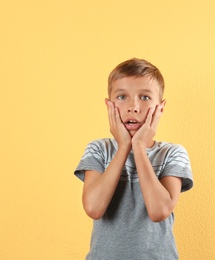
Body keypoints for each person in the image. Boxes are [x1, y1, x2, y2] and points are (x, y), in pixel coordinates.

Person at [74, 58, 193, 260]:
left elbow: (159, 211)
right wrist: (123, 147)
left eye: (145, 97)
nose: (133, 107)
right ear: (109, 105)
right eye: (122, 97)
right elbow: (93, 208)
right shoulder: (98, 150)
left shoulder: (173, 153)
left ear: (160, 108)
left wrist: (138, 146)